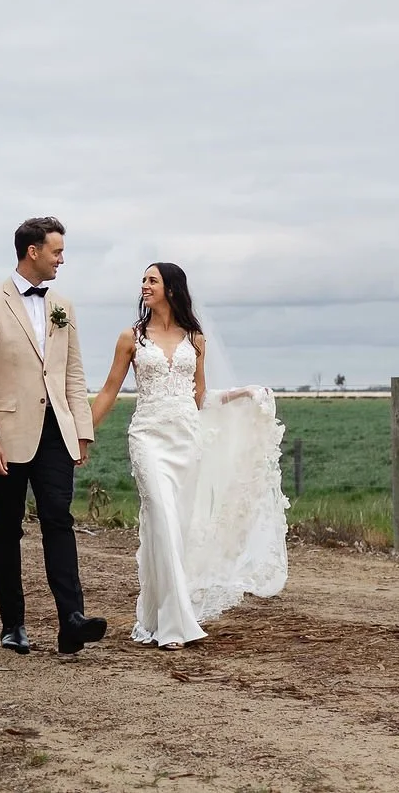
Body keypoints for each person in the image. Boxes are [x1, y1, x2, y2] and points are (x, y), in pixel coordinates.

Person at [90, 263, 288, 649]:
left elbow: (199, 398)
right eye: (143, 280)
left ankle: (155, 616)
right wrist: (81, 435)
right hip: (148, 437)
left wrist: (242, 394)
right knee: (161, 519)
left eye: (152, 280)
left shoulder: (196, 339)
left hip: (186, 440)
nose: (144, 286)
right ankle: (176, 625)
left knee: (174, 531)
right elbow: (110, 391)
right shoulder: (131, 338)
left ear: (172, 289)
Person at [0, 216, 110, 656]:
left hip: (56, 434)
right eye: (56, 251)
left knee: (58, 520)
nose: (61, 259)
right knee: (7, 528)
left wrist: (81, 428)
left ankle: (72, 620)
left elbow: (73, 371)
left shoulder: (62, 304)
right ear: (33, 251)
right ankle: (13, 625)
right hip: (7, 434)